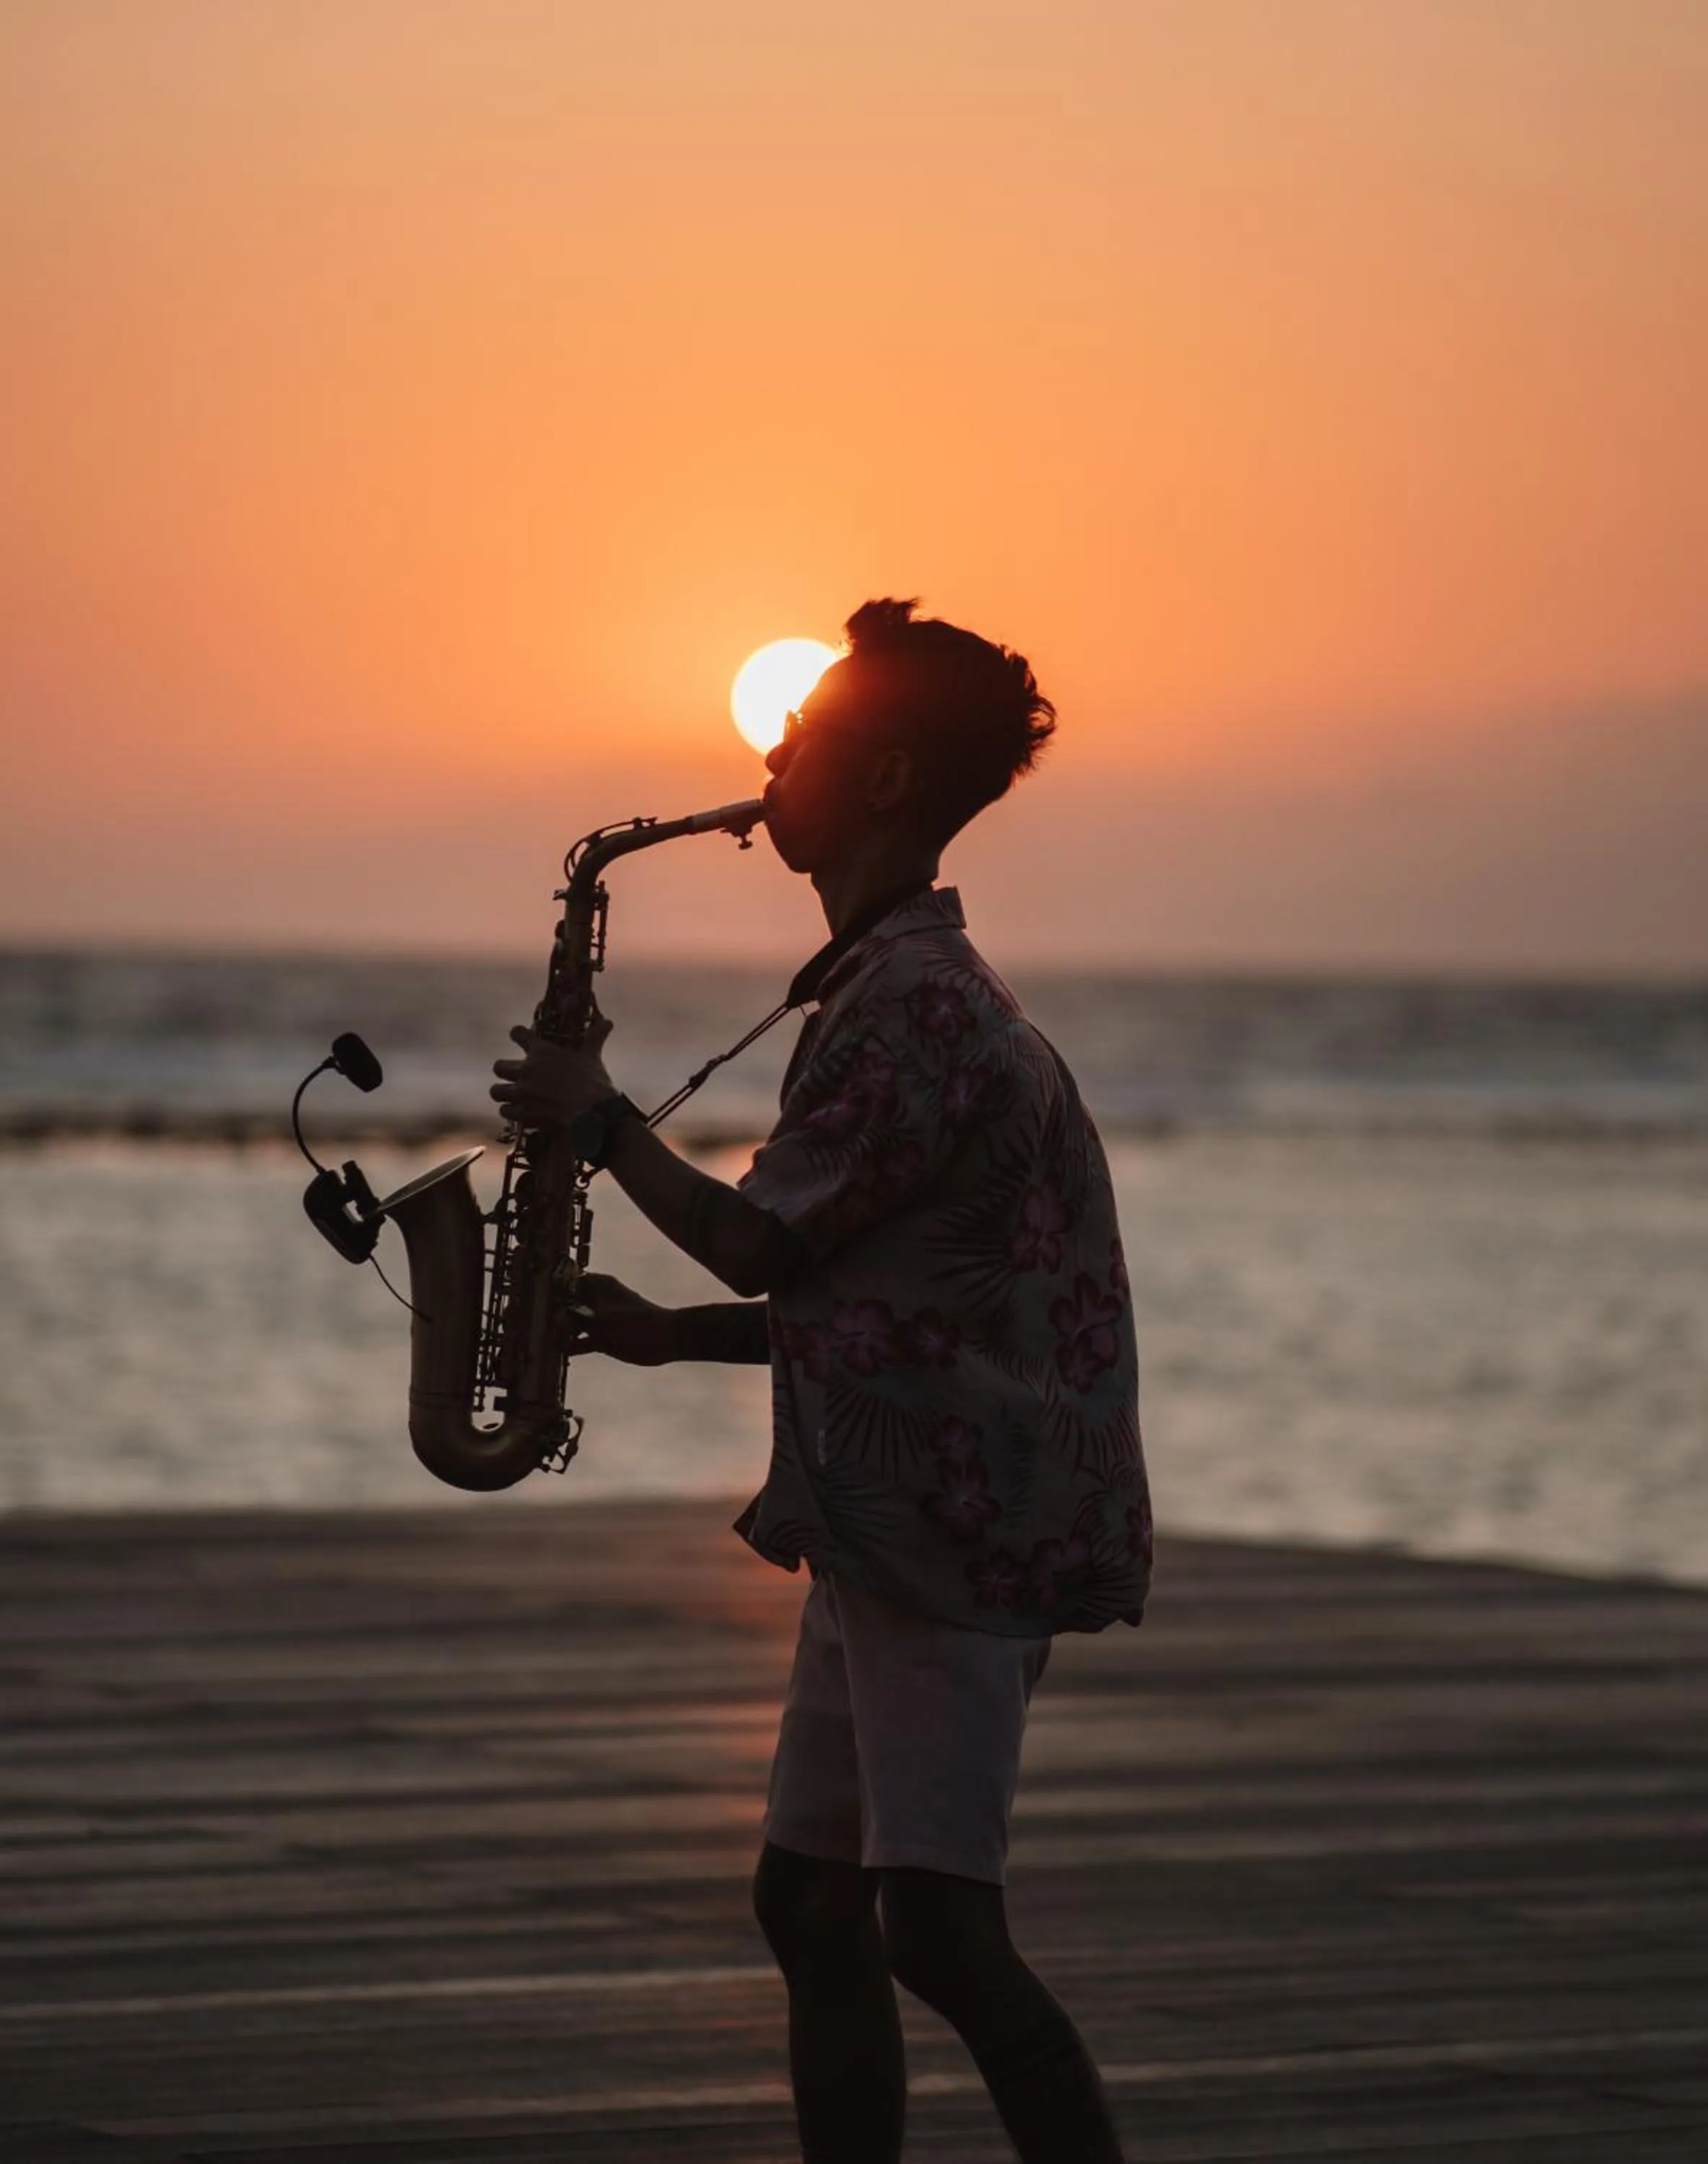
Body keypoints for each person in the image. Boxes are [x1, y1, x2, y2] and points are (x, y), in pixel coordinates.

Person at [491, 598, 1152, 2164]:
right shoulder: (888, 986)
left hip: (955, 1532)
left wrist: (600, 1122)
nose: (771, 758)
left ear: (886, 778)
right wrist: (668, 1338)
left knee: (941, 1932)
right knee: (808, 1901)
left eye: (806, 734)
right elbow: (900, 1312)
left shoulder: (914, 1007)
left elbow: (756, 1244)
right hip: (896, 1516)